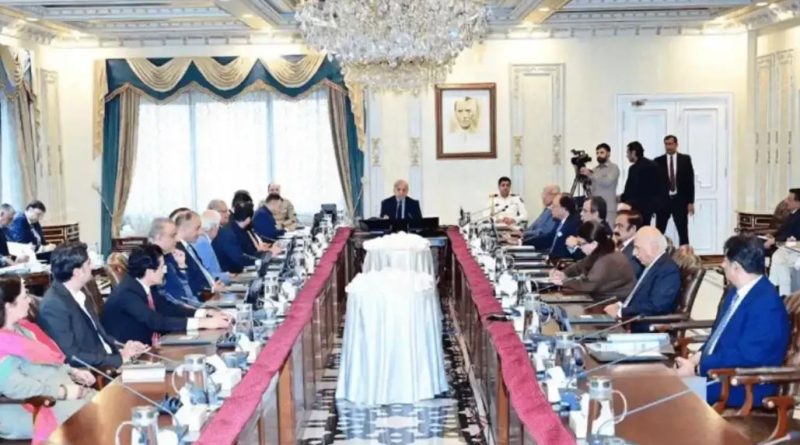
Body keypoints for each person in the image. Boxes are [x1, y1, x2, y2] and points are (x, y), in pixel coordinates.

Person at [675, 235, 790, 408]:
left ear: (736, 267)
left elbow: (749, 357)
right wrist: (694, 360)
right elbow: (717, 336)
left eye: (725, 260)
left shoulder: (766, 304)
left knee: (671, 393)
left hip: (745, 386)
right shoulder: (736, 293)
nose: (722, 265)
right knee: (663, 385)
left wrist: (699, 368)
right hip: (721, 376)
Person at [0, 277, 96, 442]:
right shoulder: (3, 344)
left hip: (59, 393)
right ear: (9, 306)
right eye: (24, 297)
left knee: (108, 405)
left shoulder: (23, 329)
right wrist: (62, 392)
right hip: (32, 406)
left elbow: (48, 361)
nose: (30, 301)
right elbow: (15, 387)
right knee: (95, 418)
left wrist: (72, 371)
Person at [37, 242, 149, 369]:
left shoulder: (80, 292)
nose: (93, 266)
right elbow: (72, 356)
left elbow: (99, 335)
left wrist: (124, 347)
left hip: (109, 360)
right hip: (97, 371)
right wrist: (119, 359)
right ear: (77, 272)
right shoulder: (54, 306)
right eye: (88, 263)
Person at [101, 245, 231, 346]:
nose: (165, 270)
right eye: (162, 266)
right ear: (149, 271)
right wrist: (203, 323)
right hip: (134, 355)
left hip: (150, 345)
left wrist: (204, 313)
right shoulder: (127, 294)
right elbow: (156, 322)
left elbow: (168, 308)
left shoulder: (143, 284)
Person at [603, 226, 681, 332]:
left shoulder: (668, 270)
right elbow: (639, 296)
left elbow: (657, 306)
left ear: (654, 247)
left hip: (646, 328)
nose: (634, 253)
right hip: (631, 322)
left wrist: (621, 312)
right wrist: (620, 305)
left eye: (638, 248)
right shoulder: (651, 265)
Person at [550, 221, 635, 302]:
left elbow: (588, 284)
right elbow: (580, 265)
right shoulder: (601, 251)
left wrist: (563, 282)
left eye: (581, 244)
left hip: (612, 302)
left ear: (594, 243)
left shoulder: (606, 260)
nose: (580, 247)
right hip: (602, 296)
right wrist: (564, 273)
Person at [149, 217, 201, 309]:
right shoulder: (150, 262)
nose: (177, 240)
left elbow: (185, 294)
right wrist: (196, 311)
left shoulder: (169, 257)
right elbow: (166, 300)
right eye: (173, 236)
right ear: (158, 237)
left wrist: (182, 267)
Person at [214, 202, 280, 274]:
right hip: (233, 274)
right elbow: (240, 259)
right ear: (248, 219)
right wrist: (266, 256)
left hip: (238, 270)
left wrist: (267, 254)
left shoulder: (237, 230)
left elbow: (250, 253)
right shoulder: (228, 233)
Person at [655, 135, 695, 246]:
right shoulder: (658, 161)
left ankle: (685, 254)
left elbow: (690, 181)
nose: (668, 147)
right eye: (666, 144)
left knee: (683, 232)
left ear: (676, 144)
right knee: (659, 231)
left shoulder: (685, 159)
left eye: (670, 144)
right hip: (663, 202)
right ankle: (657, 252)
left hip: (680, 201)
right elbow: (655, 183)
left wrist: (690, 202)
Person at [173, 211, 224, 296]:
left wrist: (213, 285)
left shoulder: (189, 247)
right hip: (203, 298)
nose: (201, 232)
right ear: (182, 229)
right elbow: (191, 284)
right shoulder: (177, 251)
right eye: (197, 228)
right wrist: (211, 290)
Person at [620, 141, 668, 226]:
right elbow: (661, 186)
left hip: (637, 206)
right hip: (651, 206)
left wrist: (622, 199)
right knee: (645, 228)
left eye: (627, 152)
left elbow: (630, 189)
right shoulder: (654, 165)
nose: (627, 155)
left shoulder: (634, 168)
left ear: (633, 152)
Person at [579, 143, 620, 224]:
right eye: (597, 153)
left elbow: (607, 182)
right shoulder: (595, 169)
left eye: (602, 152)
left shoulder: (613, 168)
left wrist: (590, 175)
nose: (599, 155)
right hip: (595, 208)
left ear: (608, 154)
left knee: (608, 230)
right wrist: (585, 181)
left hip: (608, 208)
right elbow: (591, 189)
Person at [193, 210, 230, 284]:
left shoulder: (203, 240)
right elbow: (207, 273)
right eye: (219, 226)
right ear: (214, 227)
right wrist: (229, 276)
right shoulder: (203, 243)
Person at [519, 185, 560, 249]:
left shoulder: (555, 212)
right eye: (543, 194)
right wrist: (520, 232)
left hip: (541, 247)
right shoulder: (547, 209)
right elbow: (534, 226)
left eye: (546, 194)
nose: (543, 197)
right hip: (531, 240)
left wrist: (523, 236)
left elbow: (544, 232)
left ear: (555, 195)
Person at [546, 194, 583, 260]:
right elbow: (548, 238)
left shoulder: (574, 224)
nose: (551, 208)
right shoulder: (560, 221)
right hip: (551, 259)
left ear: (564, 208)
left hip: (561, 263)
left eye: (554, 206)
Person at [614, 210, 645, 278]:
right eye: (615, 226)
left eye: (620, 226)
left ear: (633, 229)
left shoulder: (637, 250)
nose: (615, 230)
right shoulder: (618, 245)